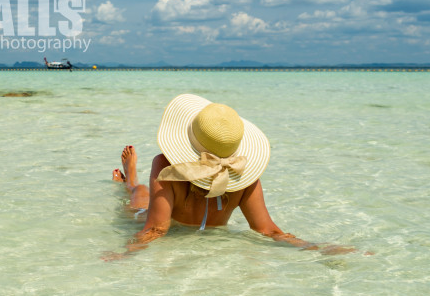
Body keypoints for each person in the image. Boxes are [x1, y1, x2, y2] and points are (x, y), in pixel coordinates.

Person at [106, 94, 351, 258]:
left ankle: (131, 180)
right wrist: (316, 248)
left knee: (139, 200)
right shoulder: (243, 172)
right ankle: (130, 179)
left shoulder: (164, 165)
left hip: (169, 225)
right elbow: (268, 230)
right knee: (139, 196)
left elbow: (156, 230)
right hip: (195, 231)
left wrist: (124, 253)